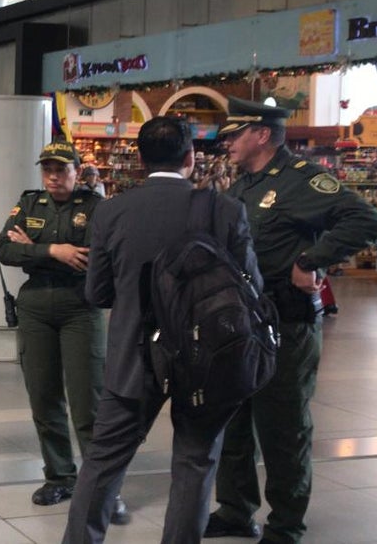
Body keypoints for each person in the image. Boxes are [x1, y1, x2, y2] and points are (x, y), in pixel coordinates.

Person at [62, 117, 261, 543]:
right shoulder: (225, 210)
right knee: (195, 463)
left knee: (104, 462)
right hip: (209, 360)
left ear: (139, 159)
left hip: (134, 359)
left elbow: (97, 293)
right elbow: (252, 289)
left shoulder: (112, 211)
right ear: (191, 157)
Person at [205, 99, 377, 544]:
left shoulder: (302, 181)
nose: (227, 142)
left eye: (236, 133)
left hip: (285, 323)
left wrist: (312, 259)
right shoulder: (242, 185)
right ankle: (235, 509)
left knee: (282, 427)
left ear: (262, 134)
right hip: (239, 323)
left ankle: (285, 522)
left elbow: (366, 219)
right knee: (234, 421)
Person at [0, 141, 128, 522]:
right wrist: (54, 251)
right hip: (35, 306)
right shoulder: (29, 205)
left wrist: (34, 247)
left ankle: (103, 489)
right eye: (47, 169)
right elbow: (3, 248)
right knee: (44, 397)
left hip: (80, 309)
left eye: (61, 169)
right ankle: (60, 476)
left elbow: (93, 258)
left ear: (77, 170)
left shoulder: (97, 208)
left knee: (90, 403)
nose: (53, 176)